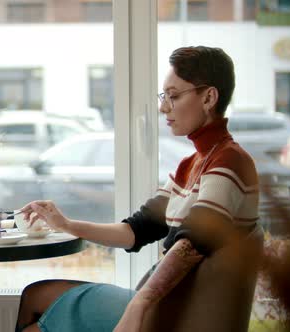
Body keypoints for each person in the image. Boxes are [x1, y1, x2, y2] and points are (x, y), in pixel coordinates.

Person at [15, 46, 260, 332]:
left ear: (209, 97)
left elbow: (193, 242)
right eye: (164, 96)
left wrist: (139, 305)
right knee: (35, 296)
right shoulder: (192, 164)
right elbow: (135, 231)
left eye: (174, 95)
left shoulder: (228, 162)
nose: (163, 107)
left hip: (179, 315)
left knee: (36, 301)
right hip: (169, 304)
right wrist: (66, 224)